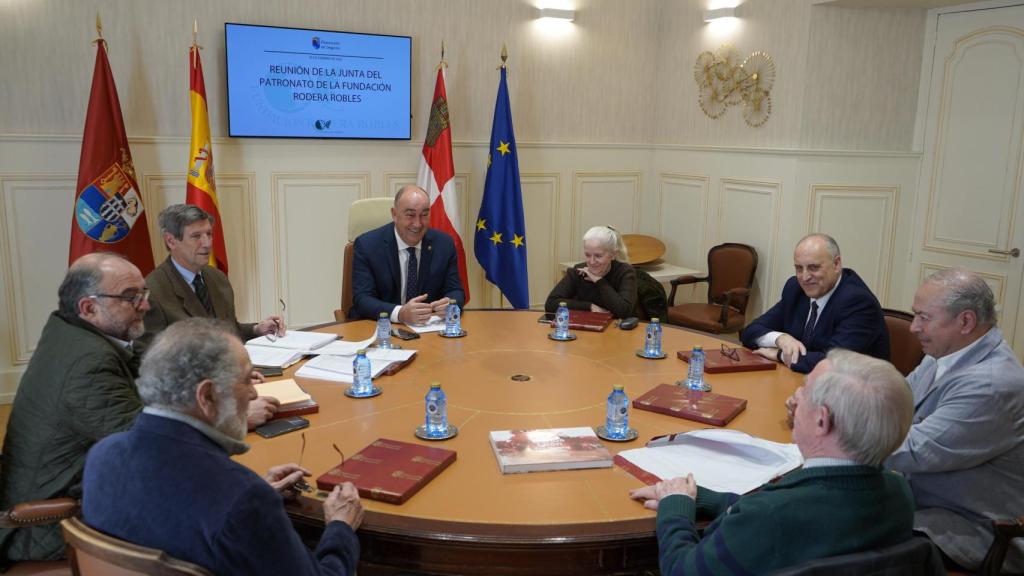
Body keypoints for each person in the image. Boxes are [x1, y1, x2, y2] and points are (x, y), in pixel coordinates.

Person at [83, 318, 362, 575]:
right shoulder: (242, 499)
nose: (253, 392)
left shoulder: (102, 456)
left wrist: (254, 497)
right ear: (206, 396)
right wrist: (340, 528)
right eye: (245, 380)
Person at [630, 349, 919, 575]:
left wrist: (675, 509)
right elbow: (805, 519)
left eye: (804, 391)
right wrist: (700, 498)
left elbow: (682, 570)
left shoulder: (769, 517)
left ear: (821, 421)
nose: (794, 397)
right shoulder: (899, 492)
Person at [0, 253, 147, 562]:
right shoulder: (88, 363)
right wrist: (221, 415)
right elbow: (148, 445)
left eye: (143, 294)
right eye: (130, 297)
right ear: (89, 308)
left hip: (56, 491)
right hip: (49, 526)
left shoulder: (69, 331)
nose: (145, 305)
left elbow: (140, 368)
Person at [885, 268, 1024, 572]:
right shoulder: (944, 354)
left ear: (966, 321)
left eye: (924, 317)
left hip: (971, 527)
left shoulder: (991, 384)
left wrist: (833, 431)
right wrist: (832, 404)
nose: (913, 327)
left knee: (843, 535)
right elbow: (895, 399)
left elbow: (916, 450)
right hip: (924, 498)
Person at [143, 203, 281, 426]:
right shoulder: (154, 291)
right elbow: (160, 369)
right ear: (171, 241)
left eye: (209, 234)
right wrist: (224, 382)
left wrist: (256, 329)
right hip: (196, 407)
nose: (207, 243)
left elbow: (226, 330)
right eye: (196, 236)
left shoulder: (217, 279)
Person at [740, 233, 889, 373]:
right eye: (799, 268)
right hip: (805, 382)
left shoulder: (858, 302)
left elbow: (833, 363)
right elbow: (751, 331)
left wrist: (780, 355)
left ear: (837, 264)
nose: (804, 277)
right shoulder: (795, 289)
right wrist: (780, 339)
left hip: (855, 394)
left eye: (813, 267)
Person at [349, 185, 464, 323]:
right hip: (379, 329)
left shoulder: (444, 244)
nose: (417, 224)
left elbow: (456, 291)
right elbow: (362, 299)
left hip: (428, 331)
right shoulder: (367, 245)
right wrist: (400, 313)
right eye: (410, 215)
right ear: (394, 214)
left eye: (424, 215)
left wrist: (451, 304)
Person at [544, 226, 637, 319]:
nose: (592, 262)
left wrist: (599, 281)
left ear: (613, 255)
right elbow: (551, 304)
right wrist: (589, 307)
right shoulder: (579, 271)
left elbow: (625, 312)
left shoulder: (625, 272)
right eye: (587, 255)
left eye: (598, 256)